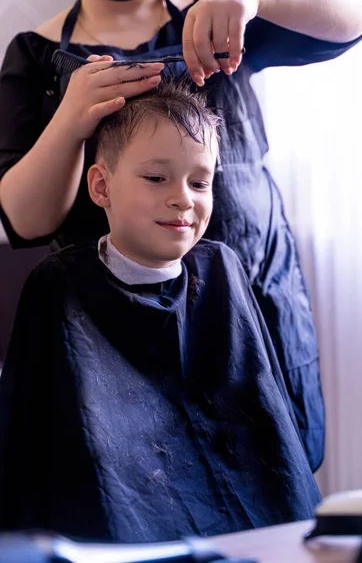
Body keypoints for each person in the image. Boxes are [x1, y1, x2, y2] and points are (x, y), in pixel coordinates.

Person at [0, 0, 362, 473]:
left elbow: (359, 12)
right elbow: (25, 221)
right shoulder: (34, 54)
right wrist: (70, 120)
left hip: (249, 309)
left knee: (273, 478)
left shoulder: (219, 8)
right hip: (116, 339)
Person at [0, 78, 321, 542]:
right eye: (156, 178)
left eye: (200, 182)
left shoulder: (222, 270)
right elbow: (34, 445)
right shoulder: (61, 285)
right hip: (120, 524)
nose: (183, 198)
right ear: (101, 186)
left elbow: (265, 425)